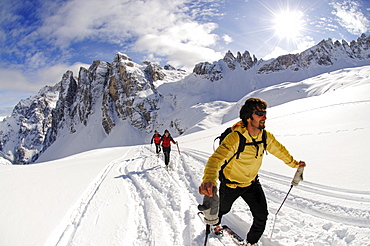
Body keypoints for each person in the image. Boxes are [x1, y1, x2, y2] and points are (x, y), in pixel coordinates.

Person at [198, 98, 306, 246]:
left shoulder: (265, 136)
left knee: (262, 216)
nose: (264, 117)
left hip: (252, 184)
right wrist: (209, 179)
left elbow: (280, 151)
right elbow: (216, 159)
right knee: (222, 209)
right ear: (249, 117)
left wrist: (295, 164)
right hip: (230, 185)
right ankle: (214, 224)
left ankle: (251, 243)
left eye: (265, 113)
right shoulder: (235, 138)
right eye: (260, 113)